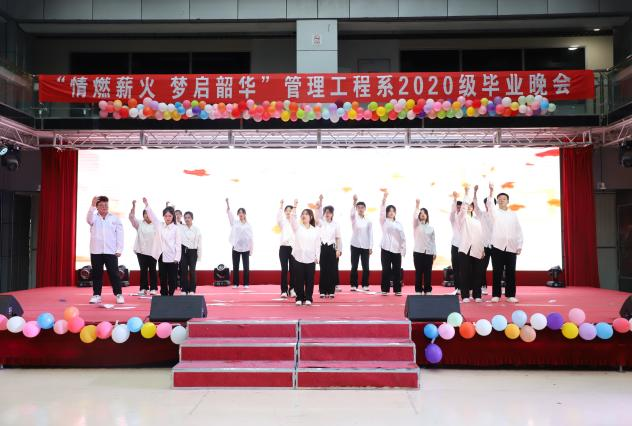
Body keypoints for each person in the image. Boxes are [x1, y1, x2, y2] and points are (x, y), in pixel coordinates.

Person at [487, 183, 523, 303]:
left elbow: (518, 230)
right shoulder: (494, 213)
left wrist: (519, 245)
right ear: (497, 201)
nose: (502, 200)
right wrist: (491, 192)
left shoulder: (513, 214)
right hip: (497, 246)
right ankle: (496, 294)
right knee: (497, 271)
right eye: (500, 199)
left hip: (511, 247)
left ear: (508, 201)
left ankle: (510, 295)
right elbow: (490, 205)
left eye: (504, 199)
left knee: (511, 271)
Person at [87, 196, 125, 304]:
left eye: (106, 205)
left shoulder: (114, 218)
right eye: (101, 205)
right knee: (97, 274)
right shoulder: (93, 218)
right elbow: (88, 219)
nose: (104, 207)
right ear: (97, 207)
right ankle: (96, 295)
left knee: (114, 274)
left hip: (111, 251)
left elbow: (120, 235)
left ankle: (118, 294)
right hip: (96, 251)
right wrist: (92, 206)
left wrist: (119, 249)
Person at [143, 198, 181, 296]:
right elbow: (152, 216)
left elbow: (178, 244)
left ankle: (171, 293)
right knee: (162, 277)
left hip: (173, 257)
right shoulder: (159, 225)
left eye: (170, 216)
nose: (168, 218)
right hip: (161, 255)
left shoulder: (176, 228)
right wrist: (147, 205)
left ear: (173, 216)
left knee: (172, 279)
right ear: (163, 216)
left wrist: (177, 258)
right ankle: (163, 294)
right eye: (166, 216)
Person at [455, 186, 485, 303]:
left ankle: (477, 295)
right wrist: (467, 193)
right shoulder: (462, 218)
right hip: (465, 249)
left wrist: (482, 250)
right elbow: (463, 208)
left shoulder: (478, 222)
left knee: (477, 273)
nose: (468, 207)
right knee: (464, 273)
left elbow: (480, 236)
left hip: (477, 249)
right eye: (467, 205)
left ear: (473, 208)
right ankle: (465, 295)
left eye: (470, 206)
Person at [291, 204, 321, 305]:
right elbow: (292, 219)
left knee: (309, 279)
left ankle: (308, 298)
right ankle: (299, 298)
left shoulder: (315, 230)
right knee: (298, 279)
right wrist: (295, 207)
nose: (304, 215)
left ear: (311, 217)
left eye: (306, 214)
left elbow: (317, 244)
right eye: (302, 214)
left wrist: (317, 256)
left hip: (311, 258)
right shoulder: (297, 228)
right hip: (298, 257)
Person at [129, 200, 159, 296]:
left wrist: (147, 204)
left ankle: (153, 288)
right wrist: (133, 207)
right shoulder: (139, 223)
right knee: (143, 270)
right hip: (141, 251)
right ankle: (143, 288)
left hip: (153, 251)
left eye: (148, 213)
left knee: (153, 270)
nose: (147, 215)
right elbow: (132, 218)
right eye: (145, 214)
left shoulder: (156, 224)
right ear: (143, 216)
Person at [380, 192, 406, 296]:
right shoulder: (384, 221)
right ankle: (385, 289)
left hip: (396, 250)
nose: (391, 212)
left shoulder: (399, 224)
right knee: (386, 269)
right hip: (385, 249)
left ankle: (397, 289)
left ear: (395, 213)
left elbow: (403, 238)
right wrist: (384, 199)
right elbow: (381, 212)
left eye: (393, 211)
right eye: (389, 211)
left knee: (397, 270)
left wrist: (403, 249)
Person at [316, 195, 342, 299]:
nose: (327, 214)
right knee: (323, 270)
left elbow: (338, 238)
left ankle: (331, 291)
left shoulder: (336, 224)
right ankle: (322, 291)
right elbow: (317, 217)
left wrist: (338, 250)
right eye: (326, 212)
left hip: (332, 248)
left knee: (331, 270)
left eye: (329, 212)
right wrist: (320, 202)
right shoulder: (321, 222)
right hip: (323, 247)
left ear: (332, 214)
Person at [226, 198, 253, 289]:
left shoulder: (248, 225)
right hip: (236, 247)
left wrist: (251, 249)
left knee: (246, 266)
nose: (240, 214)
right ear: (238, 214)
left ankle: (246, 283)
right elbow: (230, 216)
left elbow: (251, 238)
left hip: (246, 248)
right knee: (235, 266)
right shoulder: (235, 223)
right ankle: (236, 283)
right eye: (239, 213)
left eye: (242, 212)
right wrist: (228, 205)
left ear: (245, 214)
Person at [473, 185, 494, 296]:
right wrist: (475, 192)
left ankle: (500, 287)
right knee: (482, 267)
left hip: (496, 245)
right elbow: (475, 206)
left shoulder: (497, 216)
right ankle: (483, 286)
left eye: (490, 203)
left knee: (498, 268)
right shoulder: (481, 215)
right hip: (485, 245)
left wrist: (491, 191)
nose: (488, 205)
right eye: (486, 203)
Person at [350, 194, 373, 291]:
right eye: (358, 207)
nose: (360, 209)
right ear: (356, 209)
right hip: (355, 245)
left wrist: (370, 247)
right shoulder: (354, 218)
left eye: (362, 207)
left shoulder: (368, 220)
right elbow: (352, 213)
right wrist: (354, 201)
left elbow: (370, 234)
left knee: (366, 267)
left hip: (365, 246)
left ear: (365, 209)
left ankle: (365, 284)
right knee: (354, 266)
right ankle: (354, 285)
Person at [413, 199, 436, 295]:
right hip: (418, 252)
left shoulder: (431, 228)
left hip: (429, 253)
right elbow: (415, 216)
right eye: (421, 213)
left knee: (428, 272)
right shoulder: (416, 225)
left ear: (427, 215)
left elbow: (433, 241)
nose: (422, 214)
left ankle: (427, 290)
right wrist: (417, 205)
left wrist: (434, 252)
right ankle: (418, 290)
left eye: (424, 213)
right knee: (418, 272)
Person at [278, 199, 297, 298]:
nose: (289, 212)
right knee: (284, 269)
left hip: (293, 248)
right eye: (287, 210)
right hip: (283, 248)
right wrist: (281, 205)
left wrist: (295, 205)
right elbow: (278, 217)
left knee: (293, 269)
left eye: (290, 210)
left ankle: (292, 289)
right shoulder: (282, 222)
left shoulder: (295, 222)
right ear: (285, 212)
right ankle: (284, 290)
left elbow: (295, 215)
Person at [180, 211, 202, 295]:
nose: (187, 219)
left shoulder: (196, 229)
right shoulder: (181, 228)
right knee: (184, 271)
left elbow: (199, 243)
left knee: (192, 271)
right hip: (183, 251)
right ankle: (184, 289)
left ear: (192, 218)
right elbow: (175, 222)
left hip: (193, 251)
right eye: (185, 218)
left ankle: (192, 289)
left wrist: (199, 255)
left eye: (189, 217)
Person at [449, 195, 463, 295]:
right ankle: (458, 288)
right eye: (457, 207)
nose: (458, 209)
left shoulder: (467, 219)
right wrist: (454, 200)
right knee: (456, 267)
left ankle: (466, 288)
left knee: (465, 268)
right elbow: (452, 212)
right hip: (455, 245)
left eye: (460, 207)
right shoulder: (453, 218)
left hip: (465, 245)